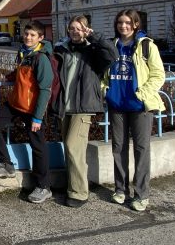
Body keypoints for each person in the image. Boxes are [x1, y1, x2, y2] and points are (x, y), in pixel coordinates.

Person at [103, 9, 165, 212]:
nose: (124, 26)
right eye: (120, 22)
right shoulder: (113, 45)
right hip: (117, 105)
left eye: (128, 22)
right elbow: (103, 73)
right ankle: (121, 190)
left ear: (136, 24)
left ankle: (141, 194)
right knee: (118, 149)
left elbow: (158, 75)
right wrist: (106, 91)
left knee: (141, 149)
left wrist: (142, 94)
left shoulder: (147, 45)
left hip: (140, 106)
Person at [0, 21, 54, 204]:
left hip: (33, 109)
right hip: (16, 103)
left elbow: (45, 89)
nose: (28, 37)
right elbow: (21, 74)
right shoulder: (24, 52)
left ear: (40, 38)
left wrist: (38, 117)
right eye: (26, 34)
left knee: (38, 147)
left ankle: (43, 186)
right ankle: (6, 164)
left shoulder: (41, 58)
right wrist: (8, 77)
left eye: (32, 35)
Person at [53, 15, 117, 208]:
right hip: (65, 106)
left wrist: (95, 37)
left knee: (74, 147)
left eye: (80, 28)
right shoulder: (62, 49)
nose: (75, 31)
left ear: (86, 30)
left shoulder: (93, 51)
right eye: (72, 28)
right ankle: (73, 186)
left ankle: (79, 192)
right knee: (72, 148)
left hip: (83, 106)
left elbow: (112, 55)